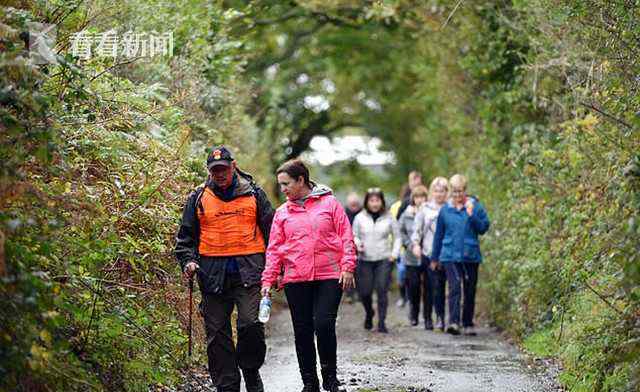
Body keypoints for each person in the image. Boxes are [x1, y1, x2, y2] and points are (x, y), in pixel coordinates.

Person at [175, 146, 274, 392]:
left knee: (250, 324)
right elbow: (185, 238)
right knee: (217, 335)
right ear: (209, 172)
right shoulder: (197, 197)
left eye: (223, 169)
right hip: (211, 275)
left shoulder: (255, 194)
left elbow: (273, 233)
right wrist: (188, 260)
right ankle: (227, 387)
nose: (219, 174)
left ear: (234, 166)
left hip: (249, 272)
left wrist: (276, 268)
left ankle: (250, 371)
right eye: (214, 171)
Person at [261, 159, 356, 392]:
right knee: (302, 330)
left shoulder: (330, 204)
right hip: (296, 278)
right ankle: (309, 383)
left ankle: (330, 380)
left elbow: (346, 236)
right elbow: (274, 249)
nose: (282, 189)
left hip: (329, 274)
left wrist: (348, 266)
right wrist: (267, 280)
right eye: (280, 184)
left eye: (286, 184)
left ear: (301, 180)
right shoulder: (282, 213)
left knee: (324, 324)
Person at [431, 174, 490, 336]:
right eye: (454, 192)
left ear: (465, 190)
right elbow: (439, 235)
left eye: (460, 192)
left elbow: (484, 228)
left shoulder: (475, 206)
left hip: (470, 255)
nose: (457, 195)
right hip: (450, 255)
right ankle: (454, 322)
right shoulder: (445, 210)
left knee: (470, 289)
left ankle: (468, 322)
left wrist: (472, 215)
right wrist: (434, 258)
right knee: (455, 287)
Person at [352, 188, 401, 333]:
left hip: (384, 259)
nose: (374, 204)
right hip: (365, 259)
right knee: (365, 292)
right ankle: (369, 313)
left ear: (382, 202)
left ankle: (382, 322)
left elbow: (397, 237)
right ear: (366, 202)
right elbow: (353, 235)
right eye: (371, 201)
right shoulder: (360, 217)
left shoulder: (389, 217)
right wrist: (357, 243)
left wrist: (394, 254)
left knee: (382, 290)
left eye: (377, 200)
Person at [411, 177, 449, 331]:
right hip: (428, 252)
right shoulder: (425, 208)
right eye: (436, 191)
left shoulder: (450, 208)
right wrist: (415, 244)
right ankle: (428, 318)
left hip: (447, 253)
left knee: (441, 287)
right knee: (429, 286)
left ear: (447, 192)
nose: (439, 194)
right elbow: (417, 229)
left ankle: (441, 316)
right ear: (432, 192)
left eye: (442, 191)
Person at [398, 185, 429, 327]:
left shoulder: (431, 213)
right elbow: (400, 232)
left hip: (428, 255)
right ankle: (414, 313)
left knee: (429, 287)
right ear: (413, 199)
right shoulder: (406, 214)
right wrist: (410, 245)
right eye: (417, 197)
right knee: (414, 286)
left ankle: (428, 317)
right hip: (411, 257)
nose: (420, 200)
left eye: (422, 196)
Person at [390, 184, 409, 308]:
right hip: (401, 248)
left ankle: (412, 297)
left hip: (414, 247)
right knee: (402, 272)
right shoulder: (395, 207)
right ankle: (403, 296)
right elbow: (393, 228)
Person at [343, 192, 361, 303]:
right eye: (352, 204)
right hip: (347, 245)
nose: (353, 206)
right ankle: (349, 294)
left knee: (360, 271)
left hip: (361, 246)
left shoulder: (363, 214)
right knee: (349, 270)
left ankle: (359, 293)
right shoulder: (343, 214)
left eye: (355, 204)